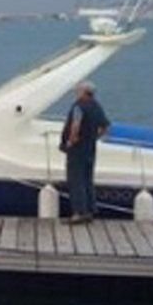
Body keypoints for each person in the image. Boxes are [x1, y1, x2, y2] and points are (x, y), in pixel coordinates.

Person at [60, 81, 110, 223]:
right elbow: (105, 127)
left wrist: (70, 141)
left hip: (77, 149)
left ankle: (78, 212)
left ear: (83, 92)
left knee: (76, 180)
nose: (76, 93)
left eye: (77, 90)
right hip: (90, 148)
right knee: (88, 179)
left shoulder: (79, 106)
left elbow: (76, 124)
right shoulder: (96, 106)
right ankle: (89, 211)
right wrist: (94, 137)